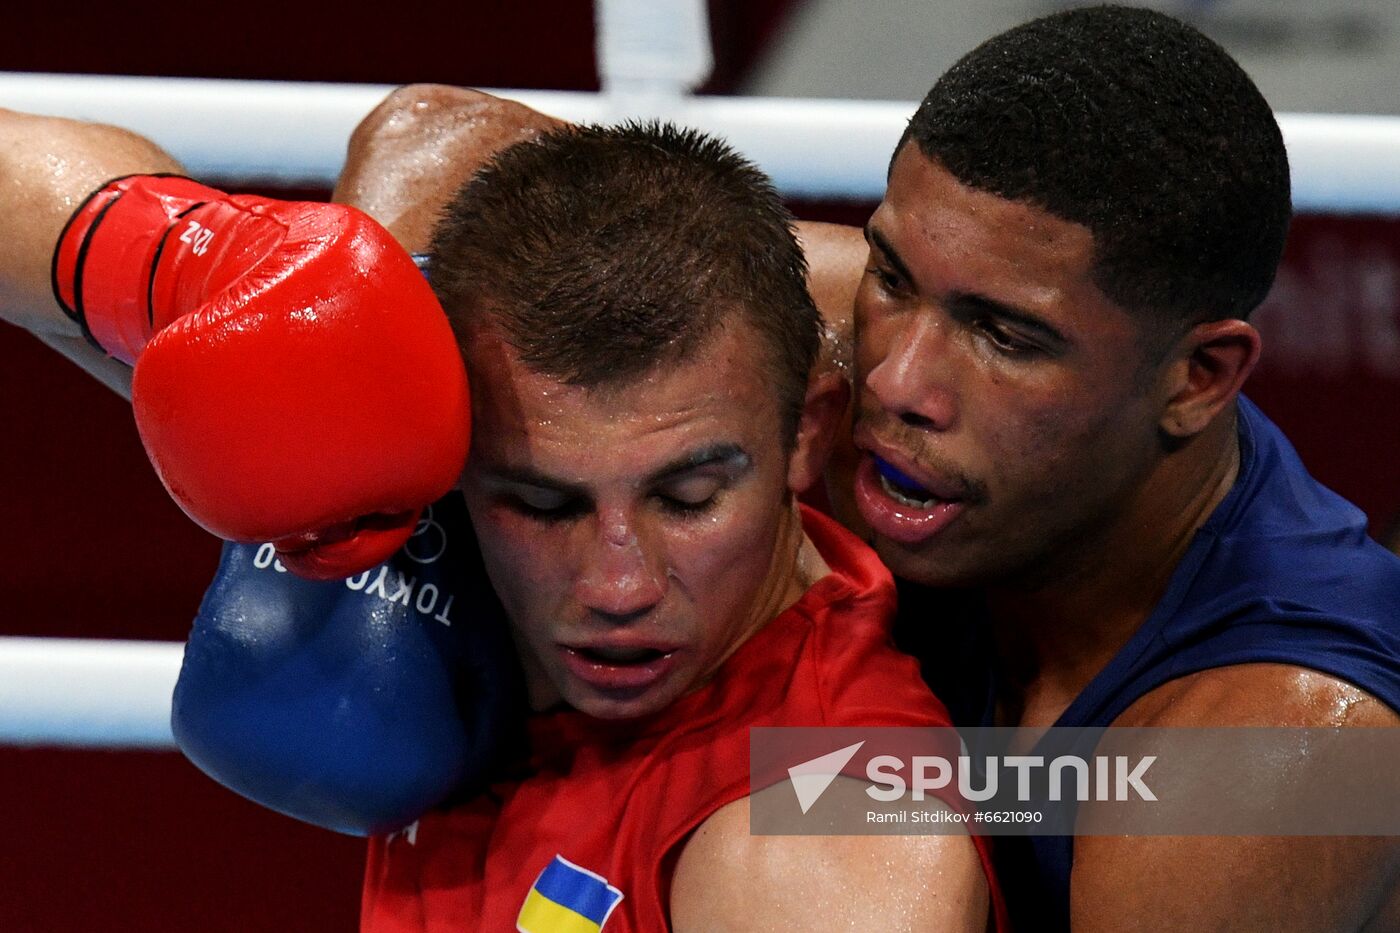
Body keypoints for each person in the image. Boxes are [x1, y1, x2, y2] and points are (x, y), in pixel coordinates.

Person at [340, 6, 1400, 929]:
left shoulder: (1277, 754)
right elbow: (437, 141)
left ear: (1198, 376)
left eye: (1004, 335)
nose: (897, 379)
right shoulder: (863, 360)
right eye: (893, 271)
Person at [0, 110, 996, 928]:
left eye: (688, 500)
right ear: (451, 462)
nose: (617, 586)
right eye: (543, 505)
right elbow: (427, 128)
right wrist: (217, 272)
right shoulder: (432, 529)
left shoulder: (826, 837)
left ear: (806, 439)